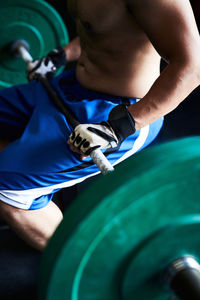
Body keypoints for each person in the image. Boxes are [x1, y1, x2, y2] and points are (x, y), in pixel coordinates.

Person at [0, 0, 200, 251]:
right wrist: (61, 55)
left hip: (118, 114)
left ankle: (87, 267)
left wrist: (119, 127)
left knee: (9, 192)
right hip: (69, 86)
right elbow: (98, 30)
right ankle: (38, 183)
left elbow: (192, 68)